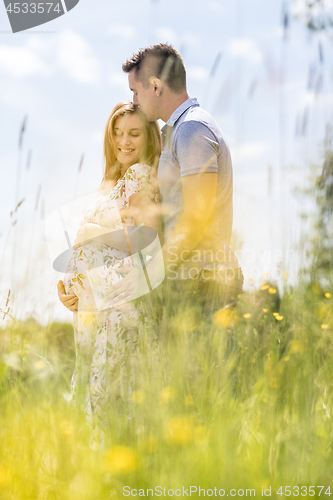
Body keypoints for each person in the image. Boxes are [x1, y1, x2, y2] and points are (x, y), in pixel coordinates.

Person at [106, 43, 243, 332]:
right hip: (187, 286)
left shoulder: (193, 129)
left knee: (210, 378)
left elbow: (197, 217)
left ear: (155, 86)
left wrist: (148, 275)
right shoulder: (177, 132)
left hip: (204, 286)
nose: (134, 99)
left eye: (136, 91)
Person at [57, 101, 162, 439]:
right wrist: (69, 288)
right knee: (91, 390)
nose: (124, 142)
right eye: (117, 134)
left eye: (133, 134)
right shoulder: (111, 183)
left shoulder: (140, 175)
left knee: (106, 394)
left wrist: (94, 233)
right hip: (91, 312)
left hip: (117, 309)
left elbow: (144, 238)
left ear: (148, 138)